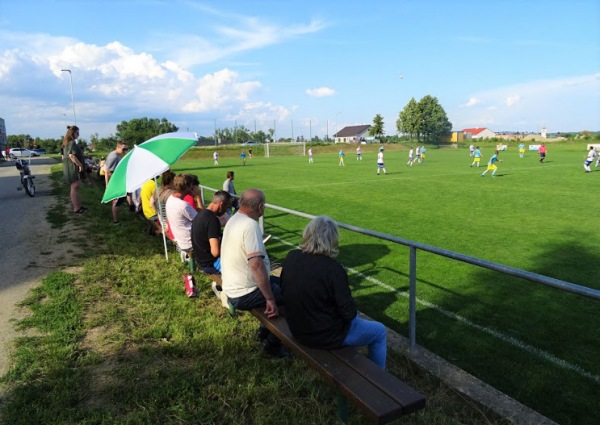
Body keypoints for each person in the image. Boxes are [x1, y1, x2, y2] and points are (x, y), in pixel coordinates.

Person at [281, 216, 387, 369]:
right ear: (332, 240)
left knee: (354, 322)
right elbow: (348, 313)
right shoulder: (333, 269)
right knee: (379, 332)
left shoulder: (292, 256)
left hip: (298, 329)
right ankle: (380, 380)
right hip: (323, 336)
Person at [221, 189, 287, 357]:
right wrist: (269, 298)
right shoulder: (250, 225)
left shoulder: (235, 218)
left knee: (285, 283)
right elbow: (256, 265)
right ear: (260, 207)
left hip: (233, 286)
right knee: (294, 295)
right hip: (244, 293)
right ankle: (273, 343)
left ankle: (264, 332)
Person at [191, 191, 232, 275]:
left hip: (200, 259)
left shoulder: (201, 214)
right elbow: (215, 252)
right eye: (227, 208)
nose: (225, 211)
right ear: (221, 204)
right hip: (210, 264)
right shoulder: (212, 220)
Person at [165, 174, 197, 256]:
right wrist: (198, 197)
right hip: (189, 243)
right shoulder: (183, 205)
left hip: (180, 239)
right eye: (191, 185)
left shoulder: (170, 199)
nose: (192, 188)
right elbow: (200, 221)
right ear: (186, 186)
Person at [62, 125, 86, 213]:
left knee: (75, 187)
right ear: (72, 133)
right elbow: (71, 155)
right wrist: (80, 165)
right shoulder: (71, 143)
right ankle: (76, 208)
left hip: (70, 168)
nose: (78, 135)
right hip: (72, 169)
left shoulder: (68, 143)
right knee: (74, 187)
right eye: (77, 133)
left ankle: (78, 206)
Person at [104, 140, 129, 224]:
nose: (125, 151)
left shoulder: (116, 155)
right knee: (116, 202)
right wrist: (108, 184)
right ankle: (116, 221)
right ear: (118, 147)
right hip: (115, 182)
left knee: (117, 201)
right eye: (123, 149)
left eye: (126, 149)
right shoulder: (113, 157)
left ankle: (116, 218)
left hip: (116, 181)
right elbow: (107, 170)